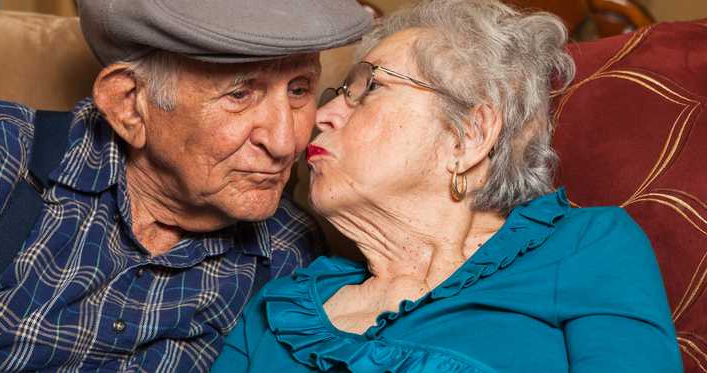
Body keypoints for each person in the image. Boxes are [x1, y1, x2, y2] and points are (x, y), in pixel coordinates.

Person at [212, 0, 683, 372]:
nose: (320, 115)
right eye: (336, 94)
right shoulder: (280, 309)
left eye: (370, 88)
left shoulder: (584, 245)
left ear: (470, 135)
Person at [0, 0, 372, 371]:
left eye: (299, 90)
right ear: (130, 104)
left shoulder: (291, 251)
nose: (287, 141)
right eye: (240, 93)